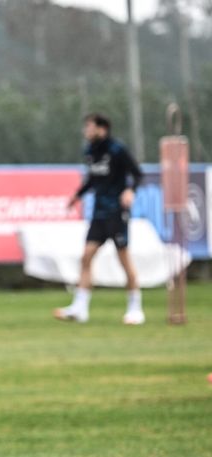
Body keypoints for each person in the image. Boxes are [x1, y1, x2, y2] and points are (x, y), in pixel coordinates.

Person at [54, 113, 144, 325]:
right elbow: (92, 179)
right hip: (98, 214)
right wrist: (77, 196)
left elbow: (137, 174)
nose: (86, 131)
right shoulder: (90, 151)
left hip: (116, 213)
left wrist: (130, 191)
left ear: (102, 129)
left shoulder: (117, 149)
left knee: (124, 260)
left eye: (89, 127)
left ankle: (135, 308)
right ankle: (80, 308)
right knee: (86, 257)